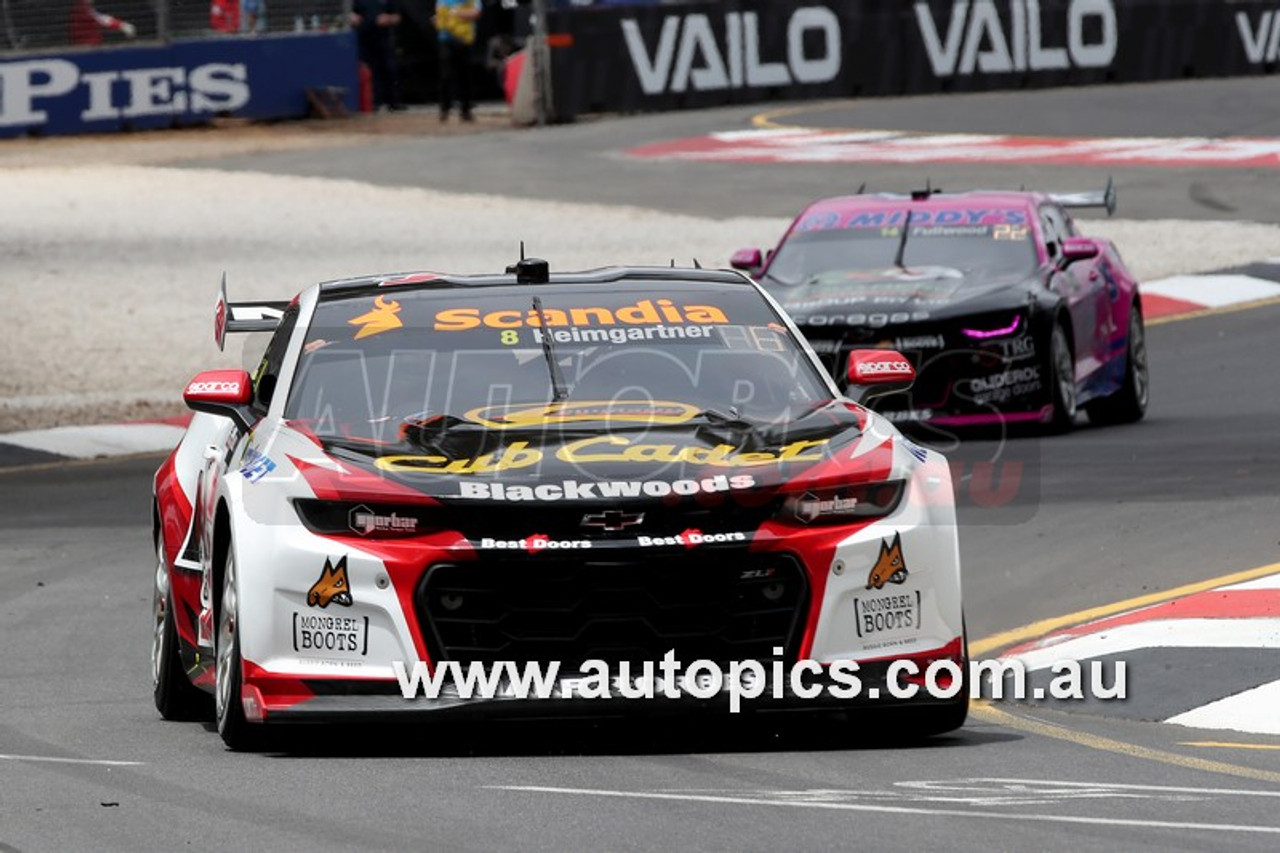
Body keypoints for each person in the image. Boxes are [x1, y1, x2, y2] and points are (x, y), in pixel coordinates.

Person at [350, 0, 404, 112]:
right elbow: (349, 12)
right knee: (370, 72)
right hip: (363, 39)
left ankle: (394, 102)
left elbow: (397, 17)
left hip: (383, 39)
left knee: (390, 69)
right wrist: (351, 16)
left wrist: (388, 19)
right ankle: (373, 103)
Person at [434, 0, 481, 122]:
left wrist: (455, 13)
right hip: (446, 40)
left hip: (465, 40)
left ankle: (465, 111)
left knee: (465, 76)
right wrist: (460, 15)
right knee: (446, 75)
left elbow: (476, 12)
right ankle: (444, 109)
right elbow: (439, 16)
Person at [69, 1, 136, 46]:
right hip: (86, 45)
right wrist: (121, 25)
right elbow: (100, 19)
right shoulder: (81, 6)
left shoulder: (86, 6)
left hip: (92, 44)